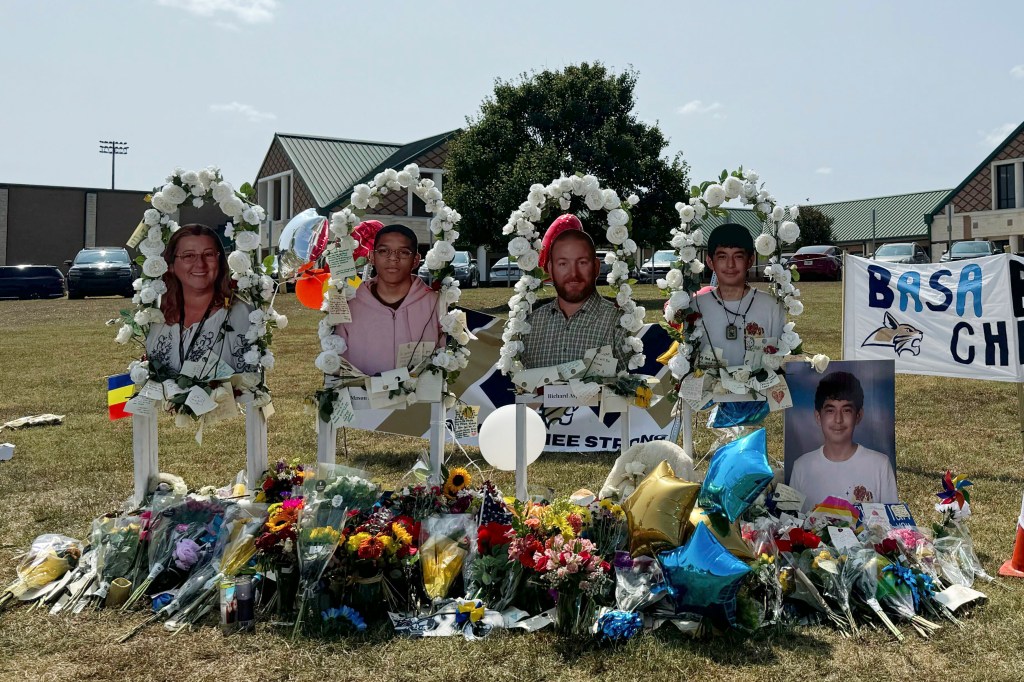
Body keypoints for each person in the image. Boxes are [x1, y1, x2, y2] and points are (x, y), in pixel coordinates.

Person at [520, 214, 629, 370]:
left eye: (582, 262)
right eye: (563, 263)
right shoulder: (530, 326)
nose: (573, 273)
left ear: (596, 267)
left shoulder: (619, 325)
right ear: (550, 269)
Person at [334, 223, 442, 376]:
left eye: (404, 252)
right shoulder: (350, 303)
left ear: (416, 260)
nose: (393, 258)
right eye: (383, 251)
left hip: (420, 398)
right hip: (363, 397)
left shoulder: (435, 304)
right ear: (372, 256)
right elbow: (338, 362)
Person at [146, 224, 251, 375]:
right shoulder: (158, 315)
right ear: (171, 266)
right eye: (188, 256)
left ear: (220, 262)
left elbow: (250, 385)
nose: (200, 264)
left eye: (208, 254)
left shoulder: (239, 314)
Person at [790, 370, 898, 510]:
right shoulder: (801, 467)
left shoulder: (880, 465)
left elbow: (893, 525)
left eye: (846, 410)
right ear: (818, 416)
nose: (838, 420)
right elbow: (791, 524)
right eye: (830, 410)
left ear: (858, 416)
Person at [693, 223, 784, 367]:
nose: (730, 264)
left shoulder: (772, 306)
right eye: (722, 257)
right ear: (710, 262)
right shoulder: (696, 306)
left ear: (750, 261)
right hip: (708, 389)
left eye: (738, 256)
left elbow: (779, 360)